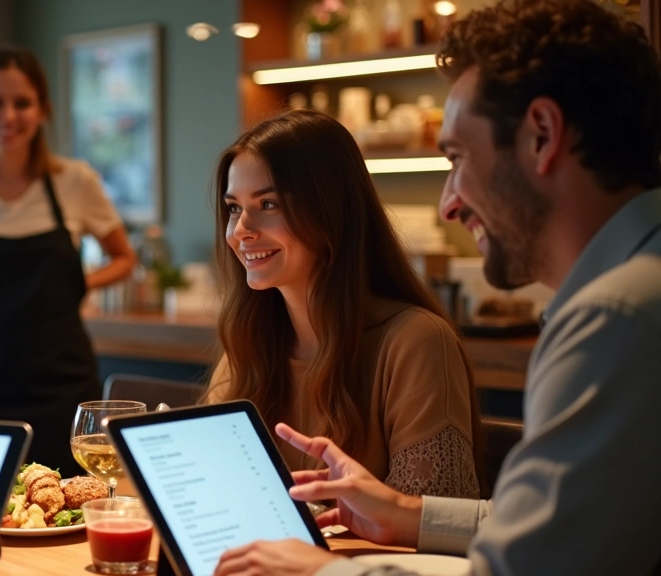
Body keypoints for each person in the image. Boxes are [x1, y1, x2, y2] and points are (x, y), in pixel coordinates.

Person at [207, 1, 661, 576]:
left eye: (456, 158)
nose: (448, 204)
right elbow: (567, 532)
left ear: (542, 133)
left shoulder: (618, 320)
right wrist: (404, 512)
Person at [204, 109, 482, 499]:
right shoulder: (249, 340)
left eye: (269, 205)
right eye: (234, 208)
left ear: (330, 212)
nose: (240, 231)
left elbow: (435, 521)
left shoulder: (416, 342)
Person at [0, 47, 137, 473]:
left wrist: (80, 283)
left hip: (63, 383)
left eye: (22, 103)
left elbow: (123, 257)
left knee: (74, 500)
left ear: (43, 109)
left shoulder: (75, 181)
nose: (8, 116)